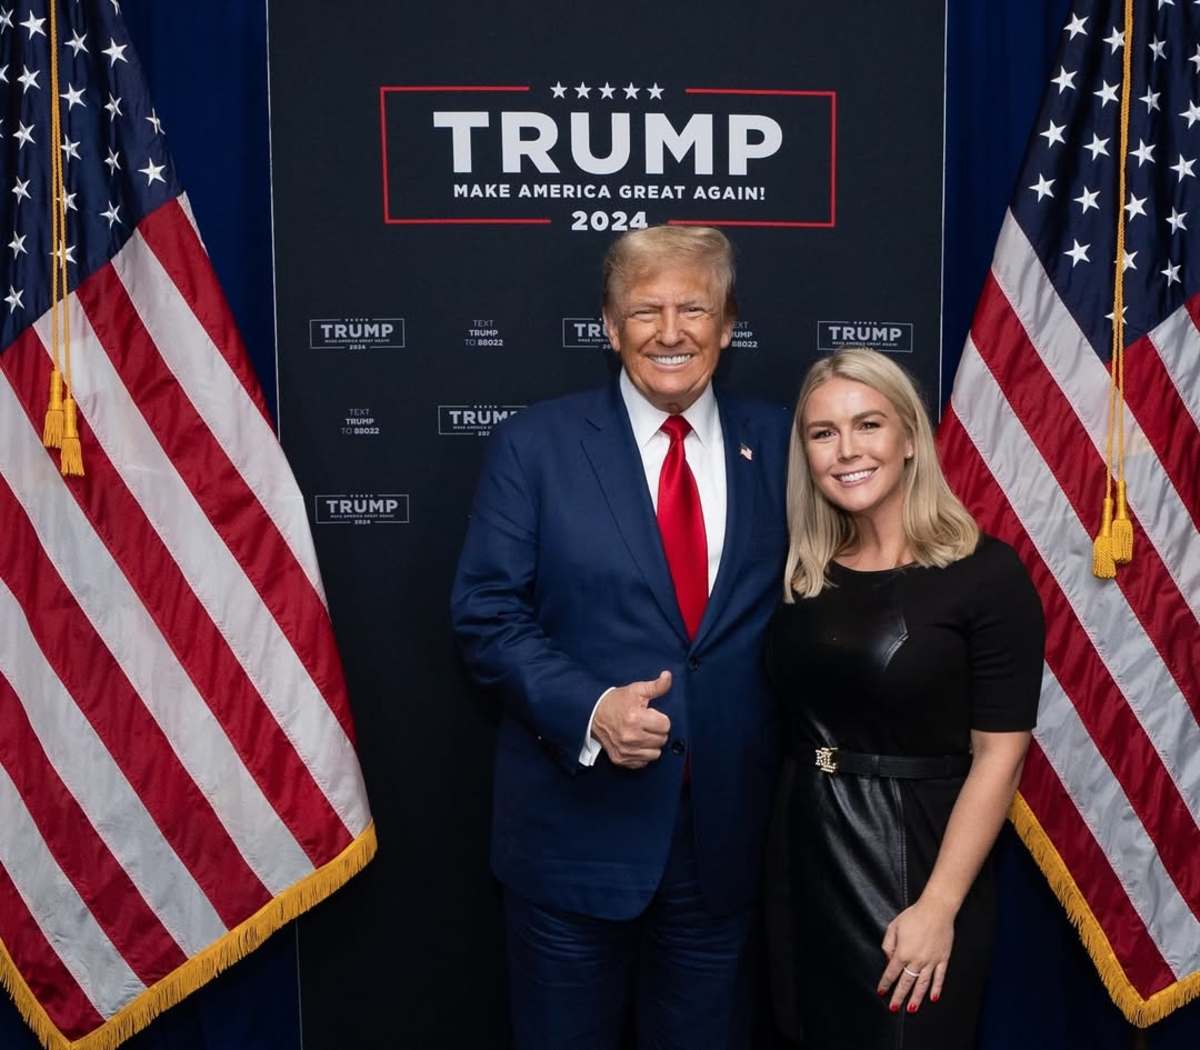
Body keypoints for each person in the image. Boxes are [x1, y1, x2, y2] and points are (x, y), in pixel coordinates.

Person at [451, 225, 790, 1049]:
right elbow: (486, 613)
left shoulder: (787, 445)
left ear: (729, 323)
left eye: (694, 308)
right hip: (573, 840)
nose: (671, 331)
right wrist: (592, 706)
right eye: (646, 310)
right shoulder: (534, 447)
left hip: (726, 846)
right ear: (610, 326)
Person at [764, 348, 1044, 1049]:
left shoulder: (986, 575)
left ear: (911, 438)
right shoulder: (805, 575)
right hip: (803, 855)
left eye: (868, 425)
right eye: (823, 433)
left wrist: (938, 906)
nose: (847, 450)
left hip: (916, 863)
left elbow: (1000, 757)